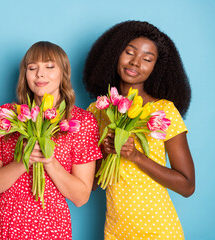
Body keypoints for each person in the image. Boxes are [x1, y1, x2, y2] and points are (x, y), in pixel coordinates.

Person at [83, 20, 195, 239]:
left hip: (159, 229)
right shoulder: (97, 110)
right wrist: (106, 151)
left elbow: (187, 186)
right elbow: (92, 185)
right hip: (116, 230)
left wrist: (135, 156)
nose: (135, 63)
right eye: (129, 52)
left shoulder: (163, 110)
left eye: (147, 59)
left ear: (156, 67)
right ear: (115, 53)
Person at [0, 41, 102, 239]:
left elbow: (81, 197)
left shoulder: (81, 121)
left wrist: (50, 162)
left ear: (64, 72)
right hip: (5, 223)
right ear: (25, 74)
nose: (40, 74)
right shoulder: (6, 116)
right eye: (32, 67)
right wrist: (24, 160)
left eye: (49, 66)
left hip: (51, 226)